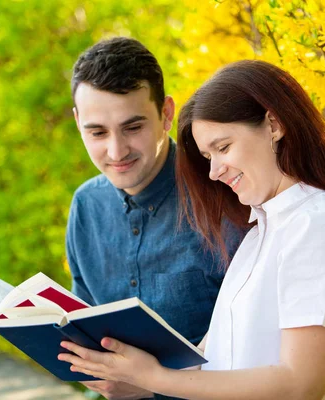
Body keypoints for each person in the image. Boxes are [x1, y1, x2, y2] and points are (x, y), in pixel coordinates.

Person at [59, 60, 325, 400]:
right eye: (206, 155)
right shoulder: (262, 230)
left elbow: (300, 385)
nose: (214, 172)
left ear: (273, 124)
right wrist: (131, 375)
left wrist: (153, 377)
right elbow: (215, 362)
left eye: (223, 148)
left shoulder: (321, 225)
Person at [66, 38, 245, 399]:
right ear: (77, 122)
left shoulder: (225, 198)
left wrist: (147, 385)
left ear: (166, 114)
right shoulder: (86, 206)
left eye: (133, 127)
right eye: (97, 132)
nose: (116, 152)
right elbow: (81, 316)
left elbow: (254, 341)